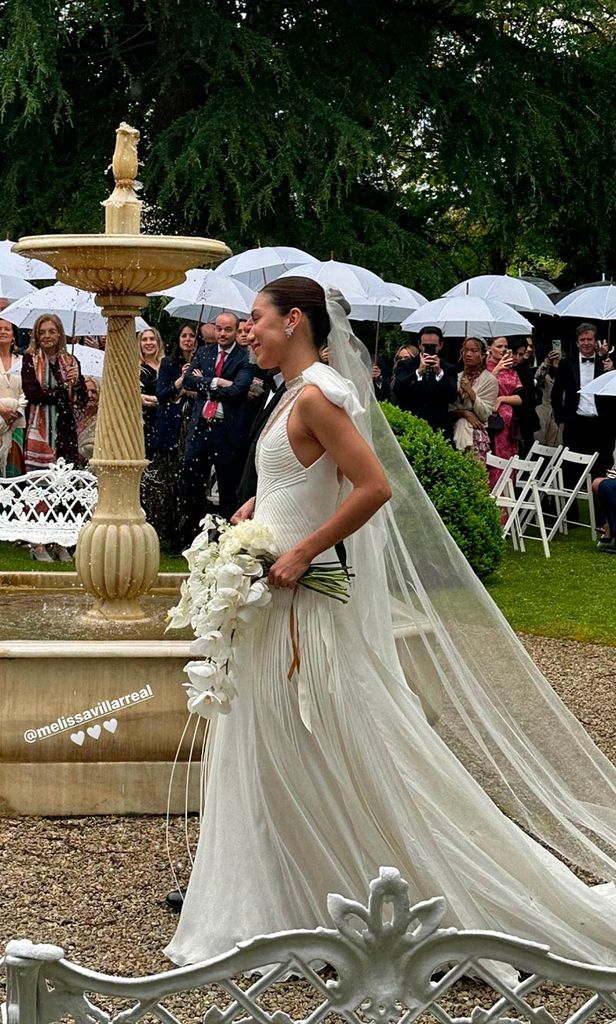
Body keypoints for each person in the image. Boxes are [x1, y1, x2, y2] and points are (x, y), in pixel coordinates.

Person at [165, 277, 616, 973]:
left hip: (302, 599)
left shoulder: (317, 395)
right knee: (274, 743)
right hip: (271, 595)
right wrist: (261, 507)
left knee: (320, 740)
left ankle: (397, 890)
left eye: (255, 320)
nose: (247, 331)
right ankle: (285, 892)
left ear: (294, 321)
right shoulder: (291, 393)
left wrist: (303, 550)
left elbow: (375, 486)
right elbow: (305, 482)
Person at [21, 313, 87, 561]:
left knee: (65, 485)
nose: (47, 336)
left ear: (60, 333)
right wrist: (62, 391)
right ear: (37, 335)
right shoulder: (30, 360)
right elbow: (34, 393)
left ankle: (61, 540)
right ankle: (38, 542)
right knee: (40, 486)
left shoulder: (70, 361)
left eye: (52, 331)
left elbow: (79, 399)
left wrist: (76, 384)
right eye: (43, 332)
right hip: (40, 430)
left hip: (65, 428)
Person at [181, 312, 252, 542]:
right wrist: (218, 382)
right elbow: (190, 381)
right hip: (201, 428)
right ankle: (192, 537)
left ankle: (224, 540)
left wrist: (206, 382)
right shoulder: (204, 352)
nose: (222, 334)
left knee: (227, 487)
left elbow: (238, 391)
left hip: (226, 432)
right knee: (193, 484)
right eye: (219, 329)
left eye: (228, 330)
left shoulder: (244, 358)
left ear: (235, 330)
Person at [152, 324, 199, 551]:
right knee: (168, 482)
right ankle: (167, 532)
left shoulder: (203, 361)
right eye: (184, 335)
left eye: (192, 336)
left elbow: (203, 391)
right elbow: (162, 395)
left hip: (192, 424)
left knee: (187, 482)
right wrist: (181, 379)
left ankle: (186, 533)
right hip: (169, 427)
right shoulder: (168, 364)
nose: (188, 340)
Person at [551, 322, 615, 478]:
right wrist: (561, 419)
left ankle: (599, 500)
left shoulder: (605, 363)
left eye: (589, 339)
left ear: (595, 341)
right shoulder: (567, 364)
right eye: (583, 339)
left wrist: (612, 372)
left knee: (602, 466)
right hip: (575, 423)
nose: (586, 343)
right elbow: (556, 394)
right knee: (571, 467)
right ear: (577, 342)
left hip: (601, 424)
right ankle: (569, 500)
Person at [392, 326, 457, 439]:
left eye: (433, 346)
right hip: (410, 425)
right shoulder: (406, 365)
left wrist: (440, 374)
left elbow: (452, 396)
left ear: (441, 345)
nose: (428, 349)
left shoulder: (449, 368)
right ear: (419, 344)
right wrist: (418, 372)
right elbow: (397, 388)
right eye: (425, 346)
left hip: (438, 429)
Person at [451, 337, 498, 464]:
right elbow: (449, 408)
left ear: (483, 355)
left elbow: (485, 413)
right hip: (454, 431)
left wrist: (471, 393)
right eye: (465, 350)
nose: (468, 354)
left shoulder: (490, 380)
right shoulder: (457, 377)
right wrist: (464, 413)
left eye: (474, 350)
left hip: (475, 435)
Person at [486, 336, 522, 487]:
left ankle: (507, 503)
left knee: (509, 460)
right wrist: (497, 369)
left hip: (509, 422)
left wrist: (502, 399)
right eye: (499, 346)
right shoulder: (484, 368)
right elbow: (484, 388)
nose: (503, 350)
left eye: (505, 347)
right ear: (489, 348)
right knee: (494, 460)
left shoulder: (512, 372)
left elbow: (520, 398)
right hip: (492, 420)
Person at [0, 318, 26, 476]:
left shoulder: (23, 361)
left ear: (14, 335)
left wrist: (17, 412)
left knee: (13, 472)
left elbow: (28, 390)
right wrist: (2, 410)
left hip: (17, 422)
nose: (2, 331)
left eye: (6, 329)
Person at [139, 327, 164, 460]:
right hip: (145, 420)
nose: (148, 342)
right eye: (144, 339)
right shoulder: (137, 369)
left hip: (165, 419)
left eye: (152, 339)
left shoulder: (168, 365)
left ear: (158, 342)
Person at [76, 377, 99, 465]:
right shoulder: (74, 415)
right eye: (86, 392)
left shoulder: (103, 419)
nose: (89, 395)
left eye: (94, 392)